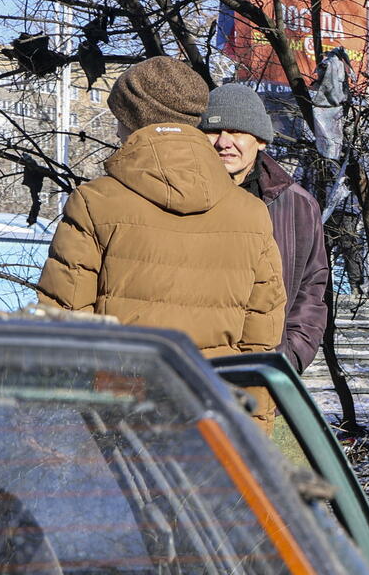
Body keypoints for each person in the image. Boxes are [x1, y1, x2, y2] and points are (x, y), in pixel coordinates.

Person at [38, 57, 285, 358]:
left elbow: (67, 322)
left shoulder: (95, 202)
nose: (117, 132)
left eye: (119, 118)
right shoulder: (252, 213)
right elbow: (261, 337)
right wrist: (251, 406)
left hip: (121, 393)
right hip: (215, 395)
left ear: (131, 120)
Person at [201, 84, 329, 372]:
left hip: (263, 368)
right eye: (213, 131)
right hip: (191, 368)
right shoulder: (178, 197)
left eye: (236, 132)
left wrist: (290, 356)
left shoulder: (296, 205)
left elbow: (312, 287)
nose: (223, 142)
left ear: (260, 140)